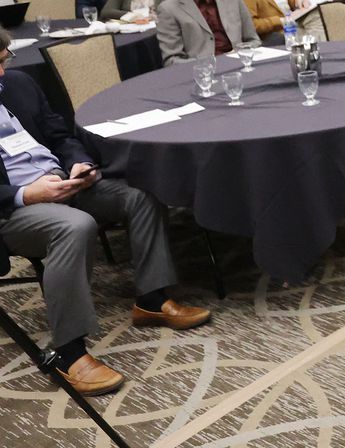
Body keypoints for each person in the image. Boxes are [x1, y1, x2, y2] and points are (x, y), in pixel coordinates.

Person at [0, 28, 211, 395]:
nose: (3, 73)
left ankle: (151, 299)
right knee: (76, 226)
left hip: (62, 182)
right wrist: (25, 194)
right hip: (12, 210)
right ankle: (68, 351)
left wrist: (78, 163)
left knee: (140, 195)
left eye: (4, 61)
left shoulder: (18, 84)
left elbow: (60, 134)